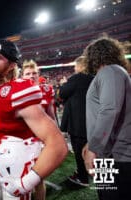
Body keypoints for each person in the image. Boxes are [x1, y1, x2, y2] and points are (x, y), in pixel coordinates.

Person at [0, 39, 68, 200]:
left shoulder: (17, 92)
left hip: (15, 169)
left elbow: (57, 144)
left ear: (12, 65)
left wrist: (26, 182)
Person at [82, 36, 131, 200]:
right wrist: (92, 142)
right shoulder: (112, 72)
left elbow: (110, 110)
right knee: (104, 195)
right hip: (108, 153)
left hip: (116, 156)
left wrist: (94, 147)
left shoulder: (110, 71)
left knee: (111, 196)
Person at [21, 59, 57, 200]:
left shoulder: (46, 90)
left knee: (39, 177)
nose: (31, 76)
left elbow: (51, 115)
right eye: (28, 73)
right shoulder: (16, 90)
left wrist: (55, 135)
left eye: (34, 73)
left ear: (38, 74)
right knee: (22, 176)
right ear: (22, 76)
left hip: (40, 139)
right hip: (22, 139)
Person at [59, 56, 94, 187]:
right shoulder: (94, 78)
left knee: (80, 152)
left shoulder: (76, 78)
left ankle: (83, 178)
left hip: (78, 125)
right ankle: (88, 173)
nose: (74, 68)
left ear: (80, 66)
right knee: (92, 151)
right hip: (93, 123)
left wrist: (63, 84)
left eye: (75, 66)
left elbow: (62, 93)